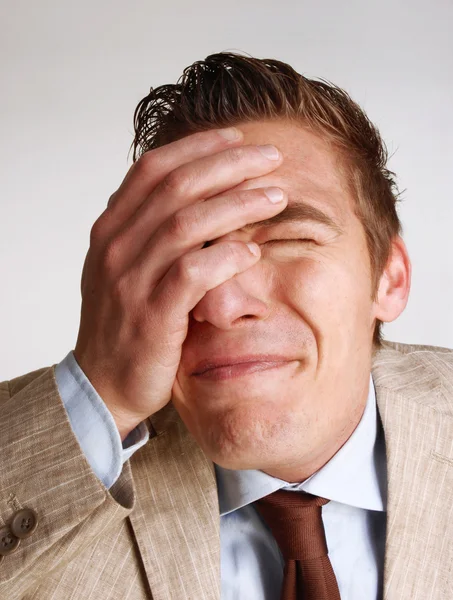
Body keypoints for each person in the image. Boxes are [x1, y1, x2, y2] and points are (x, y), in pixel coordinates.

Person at [0, 52, 451, 600]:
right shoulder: (45, 458)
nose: (221, 301)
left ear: (389, 279)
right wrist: (103, 394)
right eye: (184, 252)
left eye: (288, 241)